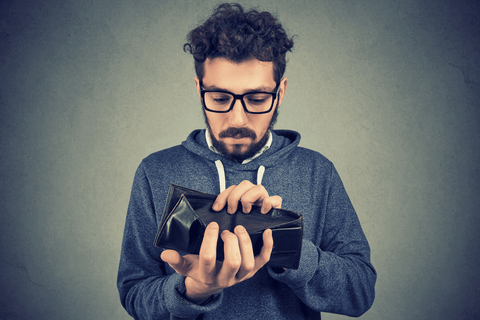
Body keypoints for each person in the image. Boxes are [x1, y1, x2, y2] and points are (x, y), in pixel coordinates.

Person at [117, 3, 376, 319]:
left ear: (279, 93)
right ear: (200, 90)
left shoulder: (316, 171)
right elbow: (134, 293)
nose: (237, 118)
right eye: (220, 99)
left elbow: (360, 291)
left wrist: (281, 241)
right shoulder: (155, 171)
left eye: (256, 99)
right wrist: (193, 290)